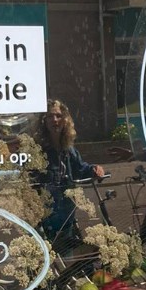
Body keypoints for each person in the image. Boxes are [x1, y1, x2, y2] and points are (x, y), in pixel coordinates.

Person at [33, 99, 104, 243]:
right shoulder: (38, 151)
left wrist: (95, 169)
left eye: (58, 116)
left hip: (67, 215)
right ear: (44, 122)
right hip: (46, 218)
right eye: (50, 116)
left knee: (68, 257)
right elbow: (31, 181)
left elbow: (81, 169)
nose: (55, 120)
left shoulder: (69, 150)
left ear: (65, 120)